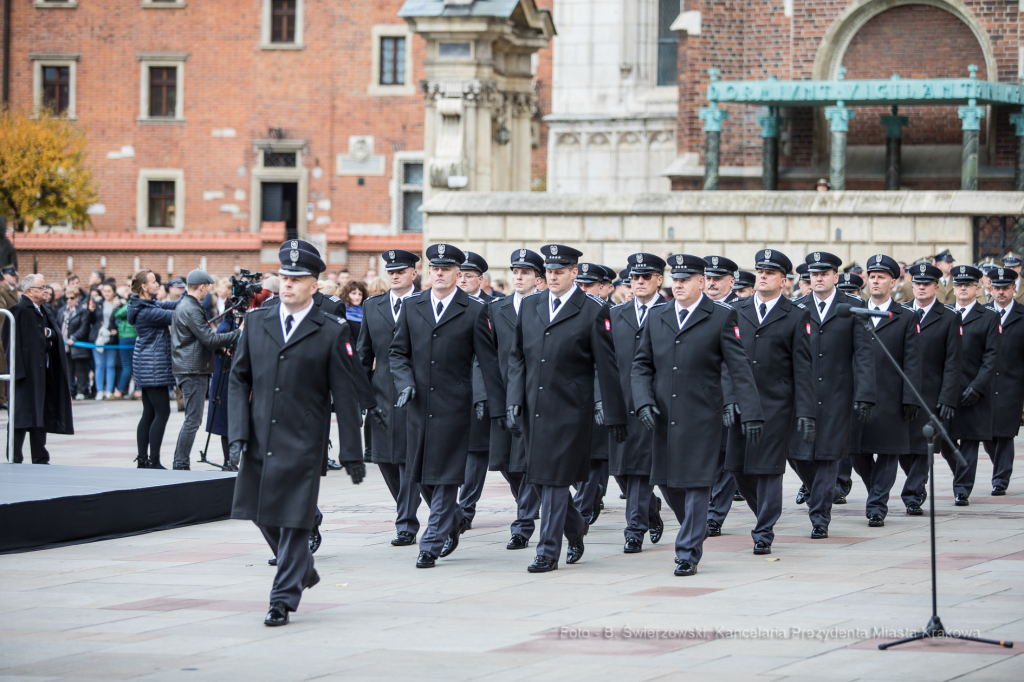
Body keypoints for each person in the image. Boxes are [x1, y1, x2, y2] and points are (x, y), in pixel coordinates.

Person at [228, 241, 366, 627]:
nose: (286, 285)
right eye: (284, 277)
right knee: (259, 513)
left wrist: (353, 453)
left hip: (304, 441)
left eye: (296, 279)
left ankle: (282, 598)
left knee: (293, 520)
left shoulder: (331, 330)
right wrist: (238, 432)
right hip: (259, 437)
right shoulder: (256, 323)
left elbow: (346, 394)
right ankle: (302, 568)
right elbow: (239, 379)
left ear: (314, 285)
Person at [633, 254, 763, 576]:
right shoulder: (657, 316)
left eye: (685, 280)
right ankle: (695, 527)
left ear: (701, 282)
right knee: (668, 484)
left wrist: (751, 412)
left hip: (703, 417)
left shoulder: (721, 316)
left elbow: (739, 367)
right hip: (663, 416)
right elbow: (641, 366)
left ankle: (687, 552)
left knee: (696, 486)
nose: (678, 285)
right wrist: (643, 401)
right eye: (674, 280)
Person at [506, 244, 628, 573]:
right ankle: (575, 530)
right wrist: (513, 400)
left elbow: (606, 365)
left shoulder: (591, 310)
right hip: (534, 408)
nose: (554, 277)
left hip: (572, 411)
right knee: (543, 481)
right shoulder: (530, 306)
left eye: (560, 271)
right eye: (550, 271)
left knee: (556, 481)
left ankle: (547, 552)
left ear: (574, 273)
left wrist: (612, 411)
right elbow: (517, 357)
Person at [389, 243, 505, 569]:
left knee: (445, 479)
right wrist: (405, 383)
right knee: (421, 476)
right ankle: (452, 521)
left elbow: (487, 360)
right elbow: (397, 353)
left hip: (455, 406)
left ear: (458, 273)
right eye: (434, 268)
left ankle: (431, 542)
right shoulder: (413, 306)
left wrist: (494, 405)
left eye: (446, 268)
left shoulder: (473, 309)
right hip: (418, 406)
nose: (439, 273)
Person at [723, 249, 814, 555]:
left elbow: (803, 366)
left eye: (770, 272)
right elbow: (724, 362)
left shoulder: (796, 315)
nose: (762, 276)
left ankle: (764, 530)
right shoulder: (736, 310)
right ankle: (762, 511)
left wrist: (805, 411)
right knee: (738, 468)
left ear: (784, 281)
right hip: (740, 404)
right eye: (760, 271)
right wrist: (729, 398)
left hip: (777, 405)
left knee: (769, 469)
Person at [788, 252, 875, 539]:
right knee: (798, 455)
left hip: (839, 395)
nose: (818, 279)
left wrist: (865, 394)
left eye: (824, 274)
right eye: (814, 274)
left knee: (828, 456)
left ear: (835, 277)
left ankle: (820, 517)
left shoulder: (853, 306)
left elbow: (864, 355)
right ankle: (818, 493)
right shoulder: (797, 307)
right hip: (803, 395)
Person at [847, 254, 922, 528]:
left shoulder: (906, 317)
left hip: (891, 397)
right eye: (872, 276)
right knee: (857, 452)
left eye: (881, 277)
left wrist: (910, 397)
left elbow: (913, 361)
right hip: (856, 396)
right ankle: (876, 493)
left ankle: (877, 506)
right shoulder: (853, 312)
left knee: (889, 453)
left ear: (894, 281)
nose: (875, 281)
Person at [357, 249, 423, 546]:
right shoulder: (373, 306)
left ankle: (406, 522)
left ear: (413, 273)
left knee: (410, 459)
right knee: (384, 458)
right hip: (382, 392)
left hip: (417, 391)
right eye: (391, 272)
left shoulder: (426, 303)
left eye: (401, 271)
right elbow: (364, 354)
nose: (395, 275)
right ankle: (411, 508)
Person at [609, 252, 667, 554]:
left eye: (646, 277)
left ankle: (634, 531)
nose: (639, 282)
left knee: (640, 471)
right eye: (635, 277)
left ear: (659, 279)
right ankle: (651, 511)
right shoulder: (616, 314)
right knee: (619, 470)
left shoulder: (670, 312)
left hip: (652, 405)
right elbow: (602, 363)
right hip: (620, 403)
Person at [488, 248, 545, 550]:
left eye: (525, 272)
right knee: (506, 463)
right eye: (515, 271)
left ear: (538, 278)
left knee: (528, 463)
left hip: (535, 398)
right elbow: (487, 355)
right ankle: (531, 505)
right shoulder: (497, 309)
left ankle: (523, 524)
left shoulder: (544, 307)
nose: (518, 276)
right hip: (504, 395)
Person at [896, 262, 961, 515]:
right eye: (917, 284)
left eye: (926, 284)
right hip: (903, 391)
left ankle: (912, 494)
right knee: (903, 448)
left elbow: (953, 362)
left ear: (936, 287)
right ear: (912, 286)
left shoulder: (949, 317)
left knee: (925, 445)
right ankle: (917, 484)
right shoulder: (901, 313)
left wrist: (948, 397)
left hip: (933, 393)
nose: (921, 288)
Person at [170, 270, 243, 470]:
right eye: (208, 288)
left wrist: (221, 349)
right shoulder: (192, 308)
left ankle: (180, 461)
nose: (208, 292)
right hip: (192, 370)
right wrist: (239, 332)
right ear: (202, 287)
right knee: (193, 420)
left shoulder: (186, 304)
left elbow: (196, 339)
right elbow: (208, 339)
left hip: (190, 367)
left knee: (192, 419)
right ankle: (181, 463)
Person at [941, 264, 1000, 506]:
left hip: (974, 390)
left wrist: (977, 387)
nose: (962, 288)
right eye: (958, 284)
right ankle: (962, 473)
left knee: (970, 440)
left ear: (977, 288)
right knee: (943, 438)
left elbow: (991, 357)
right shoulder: (944, 315)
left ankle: (962, 488)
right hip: (946, 389)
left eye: (967, 285)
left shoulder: (989, 317)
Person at [449, 251, 496, 544]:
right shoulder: (445, 304)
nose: (463, 279)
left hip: (481, 391)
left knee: (476, 454)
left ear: (481, 279)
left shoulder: (493, 307)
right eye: (460, 274)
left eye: (469, 275)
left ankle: (466, 508)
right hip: (451, 390)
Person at [701, 255, 746, 535]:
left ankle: (715, 515)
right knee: (703, 457)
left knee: (725, 458)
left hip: (729, 396)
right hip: (699, 395)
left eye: (719, 278)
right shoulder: (694, 308)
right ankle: (703, 509)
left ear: (732, 281)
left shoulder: (742, 310)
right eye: (709, 278)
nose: (713, 283)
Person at [8, 274, 74, 463]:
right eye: (42, 287)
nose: (46, 291)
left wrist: (48, 334)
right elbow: (10, 343)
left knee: (40, 414)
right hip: (25, 373)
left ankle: (40, 456)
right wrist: (18, 372)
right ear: (29, 291)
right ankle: (15, 455)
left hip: (42, 371)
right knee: (21, 416)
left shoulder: (44, 310)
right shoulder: (18, 311)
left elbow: (54, 334)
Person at [568, 263, 612, 528]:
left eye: (589, 285)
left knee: (597, 459)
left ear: (604, 288)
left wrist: (600, 397)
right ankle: (591, 495)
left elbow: (604, 363)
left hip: (599, 397)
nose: (583, 290)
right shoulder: (572, 311)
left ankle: (582, 512)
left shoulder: (609, 313)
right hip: (570, 397)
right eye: (580, 285)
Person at [128, 270, 181, 468]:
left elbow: (173, 304)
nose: (158, 284)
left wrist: (186, 292)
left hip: (148, 364)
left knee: (149, 413)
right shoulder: (147, 311)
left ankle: (143, 460)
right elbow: (176, 315)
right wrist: (191, 295)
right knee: (162, 412)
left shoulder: (146, 304)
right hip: (152, 366)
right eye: (154, 282)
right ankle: (154, 460)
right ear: (144, 287)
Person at [983, 268, 1023, 495]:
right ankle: (999, 467)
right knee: (988, 435)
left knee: (1005, 434)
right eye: (996, 288)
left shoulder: (1022, 314)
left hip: (1012, 384)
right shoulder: (983, 313)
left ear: (1013, 289)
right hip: (985, 384)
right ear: (990, 289)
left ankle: (1000, 480)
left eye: (1005, 288)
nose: (1000, 292)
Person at [89, 282, 122, 400]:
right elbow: (92, 320)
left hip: (112, 339)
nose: (106, 293)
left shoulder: (119, 303)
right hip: (99, 337)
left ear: (114, 292)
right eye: (104, 291)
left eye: (109, 291)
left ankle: (109, 390)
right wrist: (91, 311)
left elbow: (120, 319)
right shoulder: (98, 304)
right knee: (99, 365)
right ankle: (99, 391)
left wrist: (115, 329)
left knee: (111, 365)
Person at [61, 288, 92, 399]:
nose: (69, 300)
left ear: (77, 298)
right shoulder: (63, 310)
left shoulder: (82, 311)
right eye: (67, 298)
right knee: (68, 370)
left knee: (80, 370)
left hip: (78, 345)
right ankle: (69, 391)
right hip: (64, 345)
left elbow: (84, 328)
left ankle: (80, 391)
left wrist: (73, 338)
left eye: (72, 298)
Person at [111, 294, 138, 399]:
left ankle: (119, 391)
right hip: (134, 336)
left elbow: (118, 314)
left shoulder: (130, 304)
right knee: (135, 366)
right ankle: (138, 391)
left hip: (126, 337)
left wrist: (115, 307)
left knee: (127, 366)